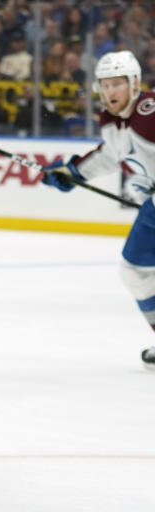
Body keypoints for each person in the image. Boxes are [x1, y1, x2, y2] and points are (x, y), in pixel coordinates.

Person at [42, 50, 155, 370]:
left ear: (135, 84)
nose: (110, 92)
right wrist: (73, 172)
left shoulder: (150, 111)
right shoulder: (111, 120)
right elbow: (110, 155)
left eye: (117, 84)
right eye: (104, 85)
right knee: (135, 271)